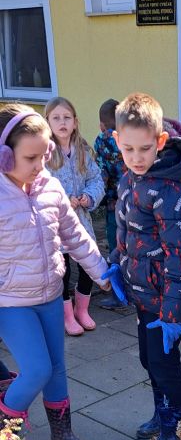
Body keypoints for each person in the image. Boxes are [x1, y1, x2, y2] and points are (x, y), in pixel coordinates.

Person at [0, 103, 110, 440]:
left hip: (49, 295)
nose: (40, 165)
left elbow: (75, 235)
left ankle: (62, 432)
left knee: (57, 369)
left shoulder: (49, 186)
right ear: (4, 156)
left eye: (43, 155)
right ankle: (5, 428)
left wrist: (102, 273)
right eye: (30, 158)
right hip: (10, 303)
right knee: (36, 370)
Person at [113, 92, 181, 440]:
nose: (137, 158)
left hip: (166, 303)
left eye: (145, 149)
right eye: (129, 149)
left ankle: (175, 431)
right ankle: (161, 414)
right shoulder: (130, 179)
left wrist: (173, 315)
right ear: (117, 141)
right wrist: (115, 262)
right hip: (143, 295)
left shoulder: (170, 190)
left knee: (165, 364)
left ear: (160, 142)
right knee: (149, 361)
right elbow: (126, 232)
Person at [45, 97, 105, 335]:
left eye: (66, 118)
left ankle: (82, 310)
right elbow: (39, 183)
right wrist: (62, 199)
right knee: (63, 270)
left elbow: (96, 179)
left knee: (87, 266)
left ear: (75, 122)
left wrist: (88, 197)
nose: (62, 122)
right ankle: (67, 316)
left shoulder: (83, 150)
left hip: (81, 221)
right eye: (56, 118)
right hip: (56, 224)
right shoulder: (45, 153)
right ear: (47, 122)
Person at [94, 98, 127, 311]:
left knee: (115, 249)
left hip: (113, 205)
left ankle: (118, 295)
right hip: (133, 203)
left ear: (101, 125)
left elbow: (101, 173)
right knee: (132, 247)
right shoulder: (129, 137)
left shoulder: (101, 141)